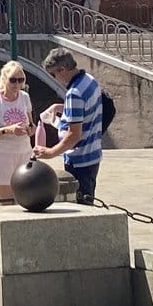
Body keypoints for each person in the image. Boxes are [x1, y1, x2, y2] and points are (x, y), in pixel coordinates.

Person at [38, 48, 105, 204]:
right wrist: (60, 108)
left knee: (81, 205)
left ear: (63, 69)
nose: (55, 78)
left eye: (53, 74)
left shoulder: (74, 93)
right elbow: (87, 108)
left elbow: (74, 135)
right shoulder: (89, 80)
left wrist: (50, 152)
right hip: (93, 154)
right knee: (88, 199)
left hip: (79, 159)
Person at [0, 61, 34, 203]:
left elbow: (31, 122)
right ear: (5, 80)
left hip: (24, 151)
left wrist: (31, 129)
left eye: (20, 80)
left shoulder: (24, 97)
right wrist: (7, 130)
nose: (17, 84)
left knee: (26, 197)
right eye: (13, 80)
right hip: (3, 155)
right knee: (6, 200)